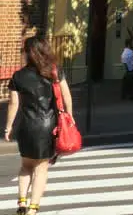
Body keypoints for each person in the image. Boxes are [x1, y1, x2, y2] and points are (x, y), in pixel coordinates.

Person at [5, 36, 73, 215]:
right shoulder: (54, 71)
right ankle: (33, 209)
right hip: (48, 126)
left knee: (25, 166)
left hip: (26, 126)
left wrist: (9, 127)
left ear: (29, 53)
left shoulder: (18, 76)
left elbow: (14, 104)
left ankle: (21, 202)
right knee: (41, 168)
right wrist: (70, 117)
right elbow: (66, 96)